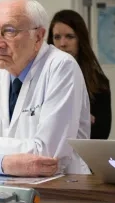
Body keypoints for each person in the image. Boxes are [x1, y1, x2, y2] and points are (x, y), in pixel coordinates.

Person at [0, 0, 91, 177]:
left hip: (59, 191)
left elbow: (48, 155)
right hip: (0, 188)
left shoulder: (61, 67)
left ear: (38, 37)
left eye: (9, 31)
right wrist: (5, 164)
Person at [48, 9, 111, 139]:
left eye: (70, 37)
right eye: (57, 37)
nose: (62, 44)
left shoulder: (98, 81)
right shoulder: (39, 76)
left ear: (80, 40)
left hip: (82, 153)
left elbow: (102, 133)